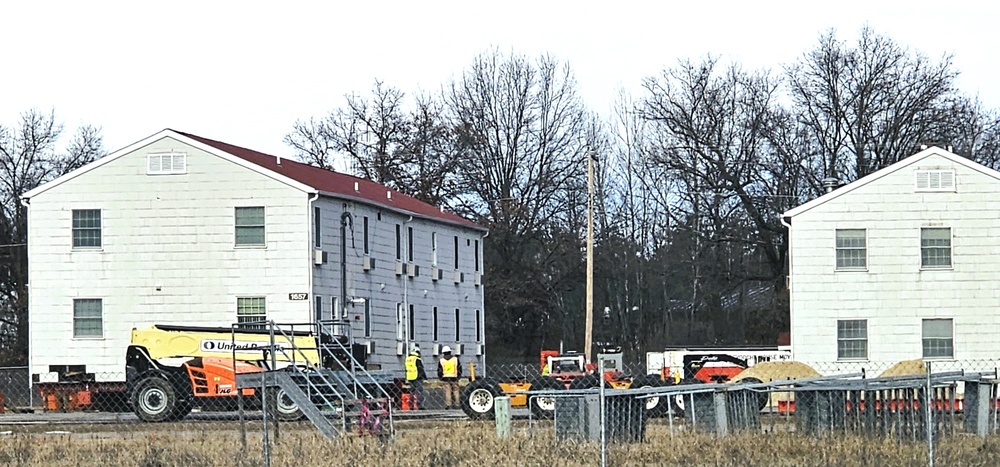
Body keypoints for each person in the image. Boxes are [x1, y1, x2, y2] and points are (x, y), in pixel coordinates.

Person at [404, 345, 426, 410]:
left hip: (410, 377)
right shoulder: (417, 359)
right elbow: (420, 369)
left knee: (412, 392)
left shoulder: (407, 359)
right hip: (418, 377)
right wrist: (425, 377)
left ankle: (411, 406)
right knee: (419, 392)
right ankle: (420, 406)